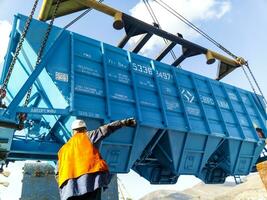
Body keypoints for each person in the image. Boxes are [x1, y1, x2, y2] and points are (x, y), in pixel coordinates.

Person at [57, 118, 136, 200]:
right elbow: (106, 129)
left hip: (68, 188)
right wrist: (123, 122)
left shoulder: (62, 150)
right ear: (84, 129)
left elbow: (57, 173)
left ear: (73, 131)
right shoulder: (88, 136)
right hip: (90, 181)